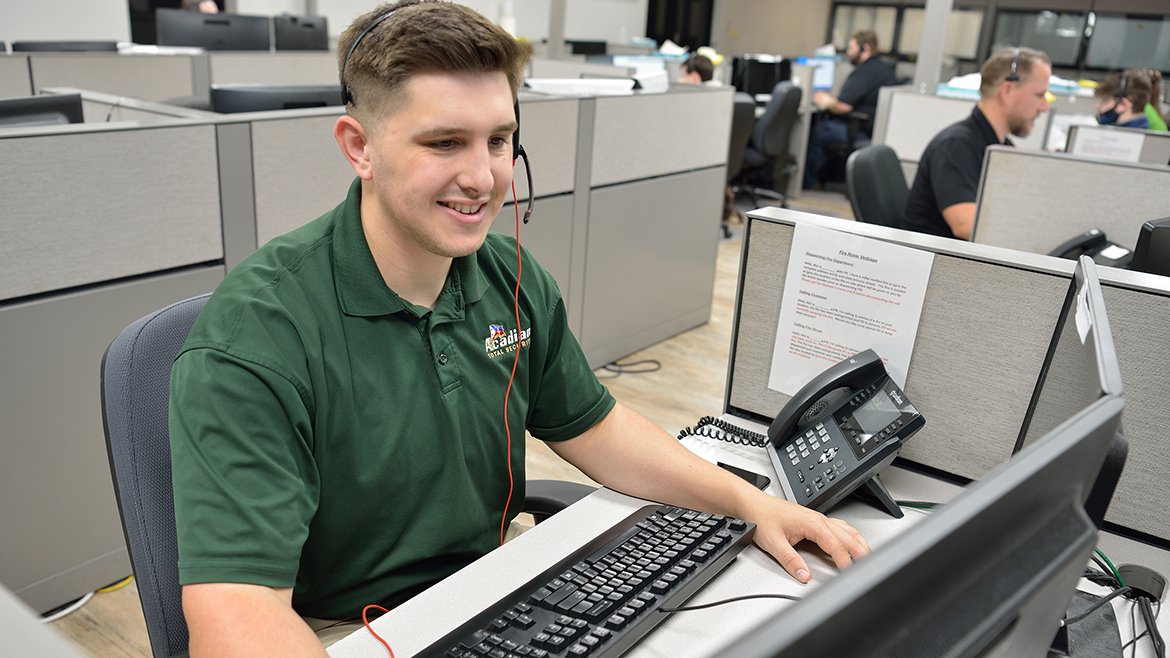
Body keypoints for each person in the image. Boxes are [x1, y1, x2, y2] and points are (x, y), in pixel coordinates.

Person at [168, 2, 870, 656]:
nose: (483, 176)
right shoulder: (257, 334)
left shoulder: (509, 276)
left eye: (500, 140)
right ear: (360, 147)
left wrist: (750, 503)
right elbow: (235, 609)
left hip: (492, 593)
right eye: (445, 142)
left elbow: (595, 428)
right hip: (342, 632)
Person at [900, 47, 1051, 241]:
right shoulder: (956, 145)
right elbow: (967, 227)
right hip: (936, 264)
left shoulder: (1000, 146)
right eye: (1039, 95)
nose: (1044, 107)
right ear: (1007, 91)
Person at [803, 30, 898, 189]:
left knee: (819, 131)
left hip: (860, 130)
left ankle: (809, 183)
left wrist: (826, 101)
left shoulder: (864, 71)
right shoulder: (882, 68)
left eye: (851, 48)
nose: (848, 52)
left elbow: (843, 106)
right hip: (875, 130)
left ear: (865, 48)